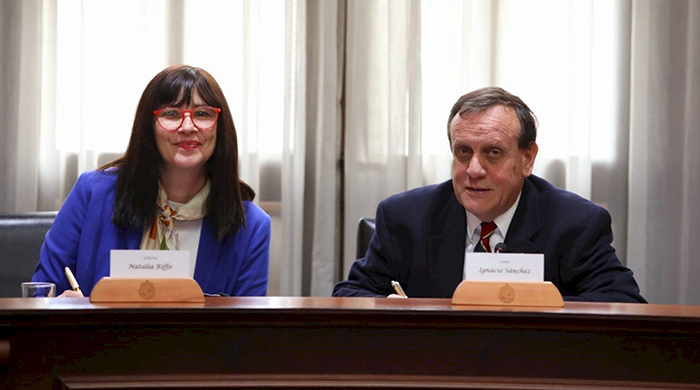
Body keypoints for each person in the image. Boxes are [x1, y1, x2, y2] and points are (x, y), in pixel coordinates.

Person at [333, 87, 645, 303]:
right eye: (463, 152)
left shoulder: (576, 224)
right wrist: (391, 308)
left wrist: (537, 306)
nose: (474, 170)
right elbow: (350, 294)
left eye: (493, 153)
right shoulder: (405, 218)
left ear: (527, 159)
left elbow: (623, 303)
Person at [32, 65, 271, 297]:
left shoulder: (251, 226)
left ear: (220, 127)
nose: (187, 126)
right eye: (171, 114)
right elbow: (39, 293)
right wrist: (60, 307)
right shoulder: (92, 194)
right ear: (148, 127)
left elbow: (248, 331)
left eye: (202, 114)